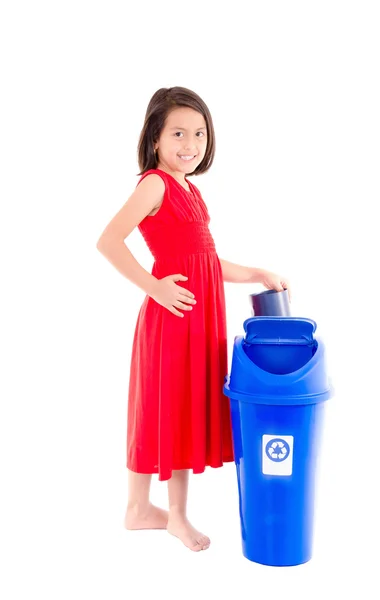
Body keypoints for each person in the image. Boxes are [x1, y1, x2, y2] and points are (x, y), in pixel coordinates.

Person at [96, 86, 292, 553]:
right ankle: (172, 515)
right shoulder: (154, 184)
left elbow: (207, 261)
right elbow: (108, 241)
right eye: (178, 133)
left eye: (199, 133)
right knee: (169, 411)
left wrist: (256, 273)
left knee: (168, 408)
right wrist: (155, 286)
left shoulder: (190, 189)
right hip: (173, 319)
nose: (190, 143)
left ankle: (140, 508)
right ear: (156, 139)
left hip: (198, 320)